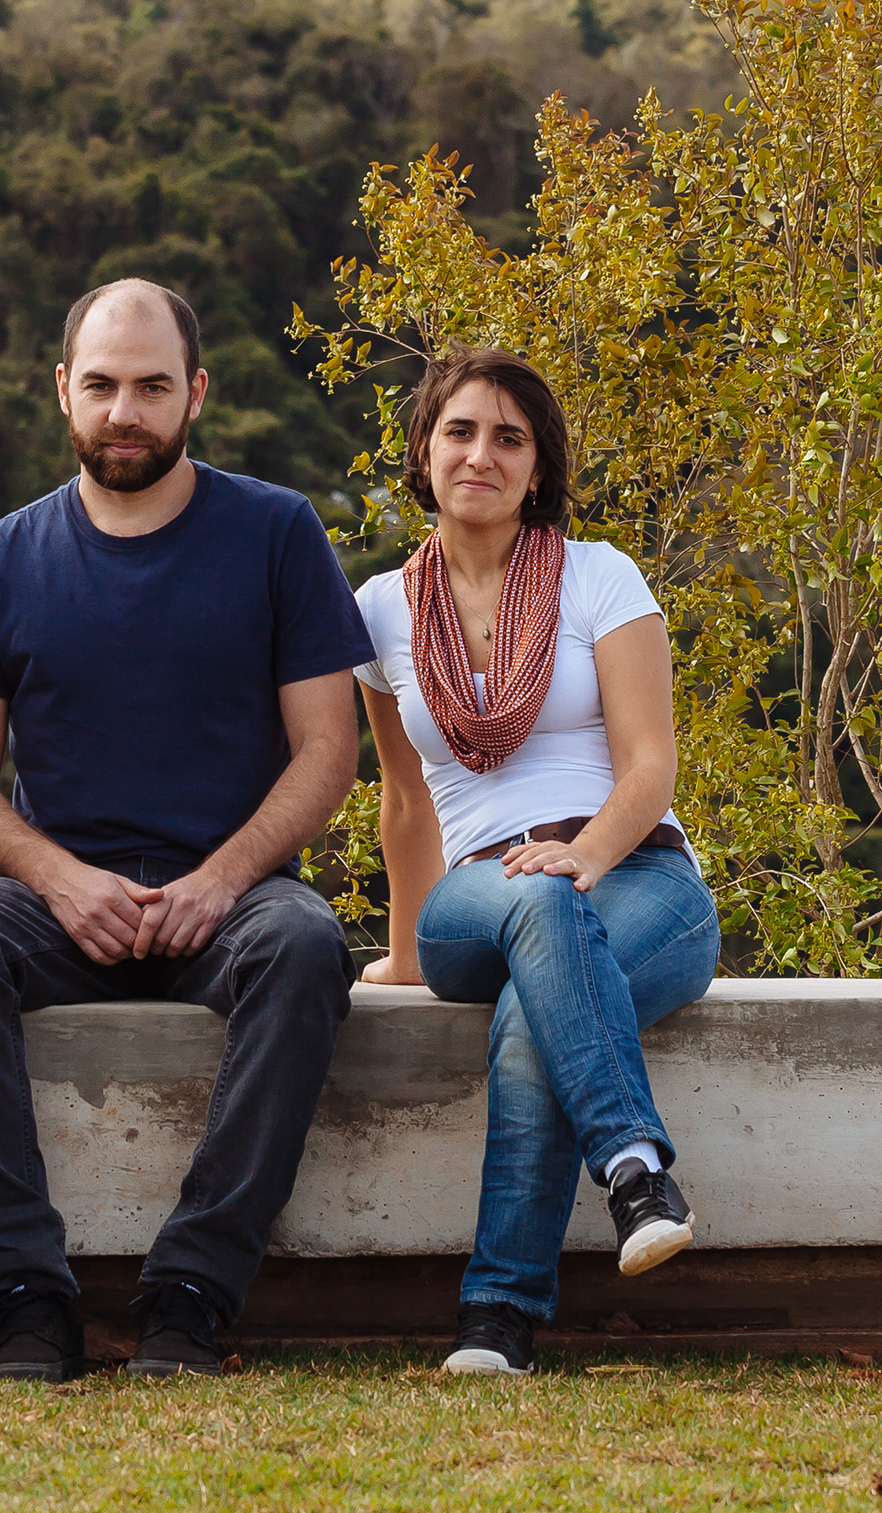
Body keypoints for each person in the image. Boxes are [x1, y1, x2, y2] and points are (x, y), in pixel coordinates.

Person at [0, 278, 372, 1381]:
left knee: (306, 945)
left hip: (235, 898)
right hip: (61, 902)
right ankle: (23, 1296)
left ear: (195, 393)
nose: (125, 412)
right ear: (63, 390)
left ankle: (191, 1293)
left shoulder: (276, 533)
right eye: (103, 386)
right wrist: (62, 881)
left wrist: (222, 880)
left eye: (152, 387)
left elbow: (327, 751)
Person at [355, 347, 719, 1378]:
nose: (481, 454)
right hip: (475, 894)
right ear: (424, 451)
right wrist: (404, 957)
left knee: (534, 1005)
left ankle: (497, 1319)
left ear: (537, 467)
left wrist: (584, 855)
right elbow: (403, 800)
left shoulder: (600, 576)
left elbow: (650, 767)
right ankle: (634, 1166)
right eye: (460, 431)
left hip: (642, 877)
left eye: (508, 438)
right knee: (534, 906)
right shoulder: (377, 610)